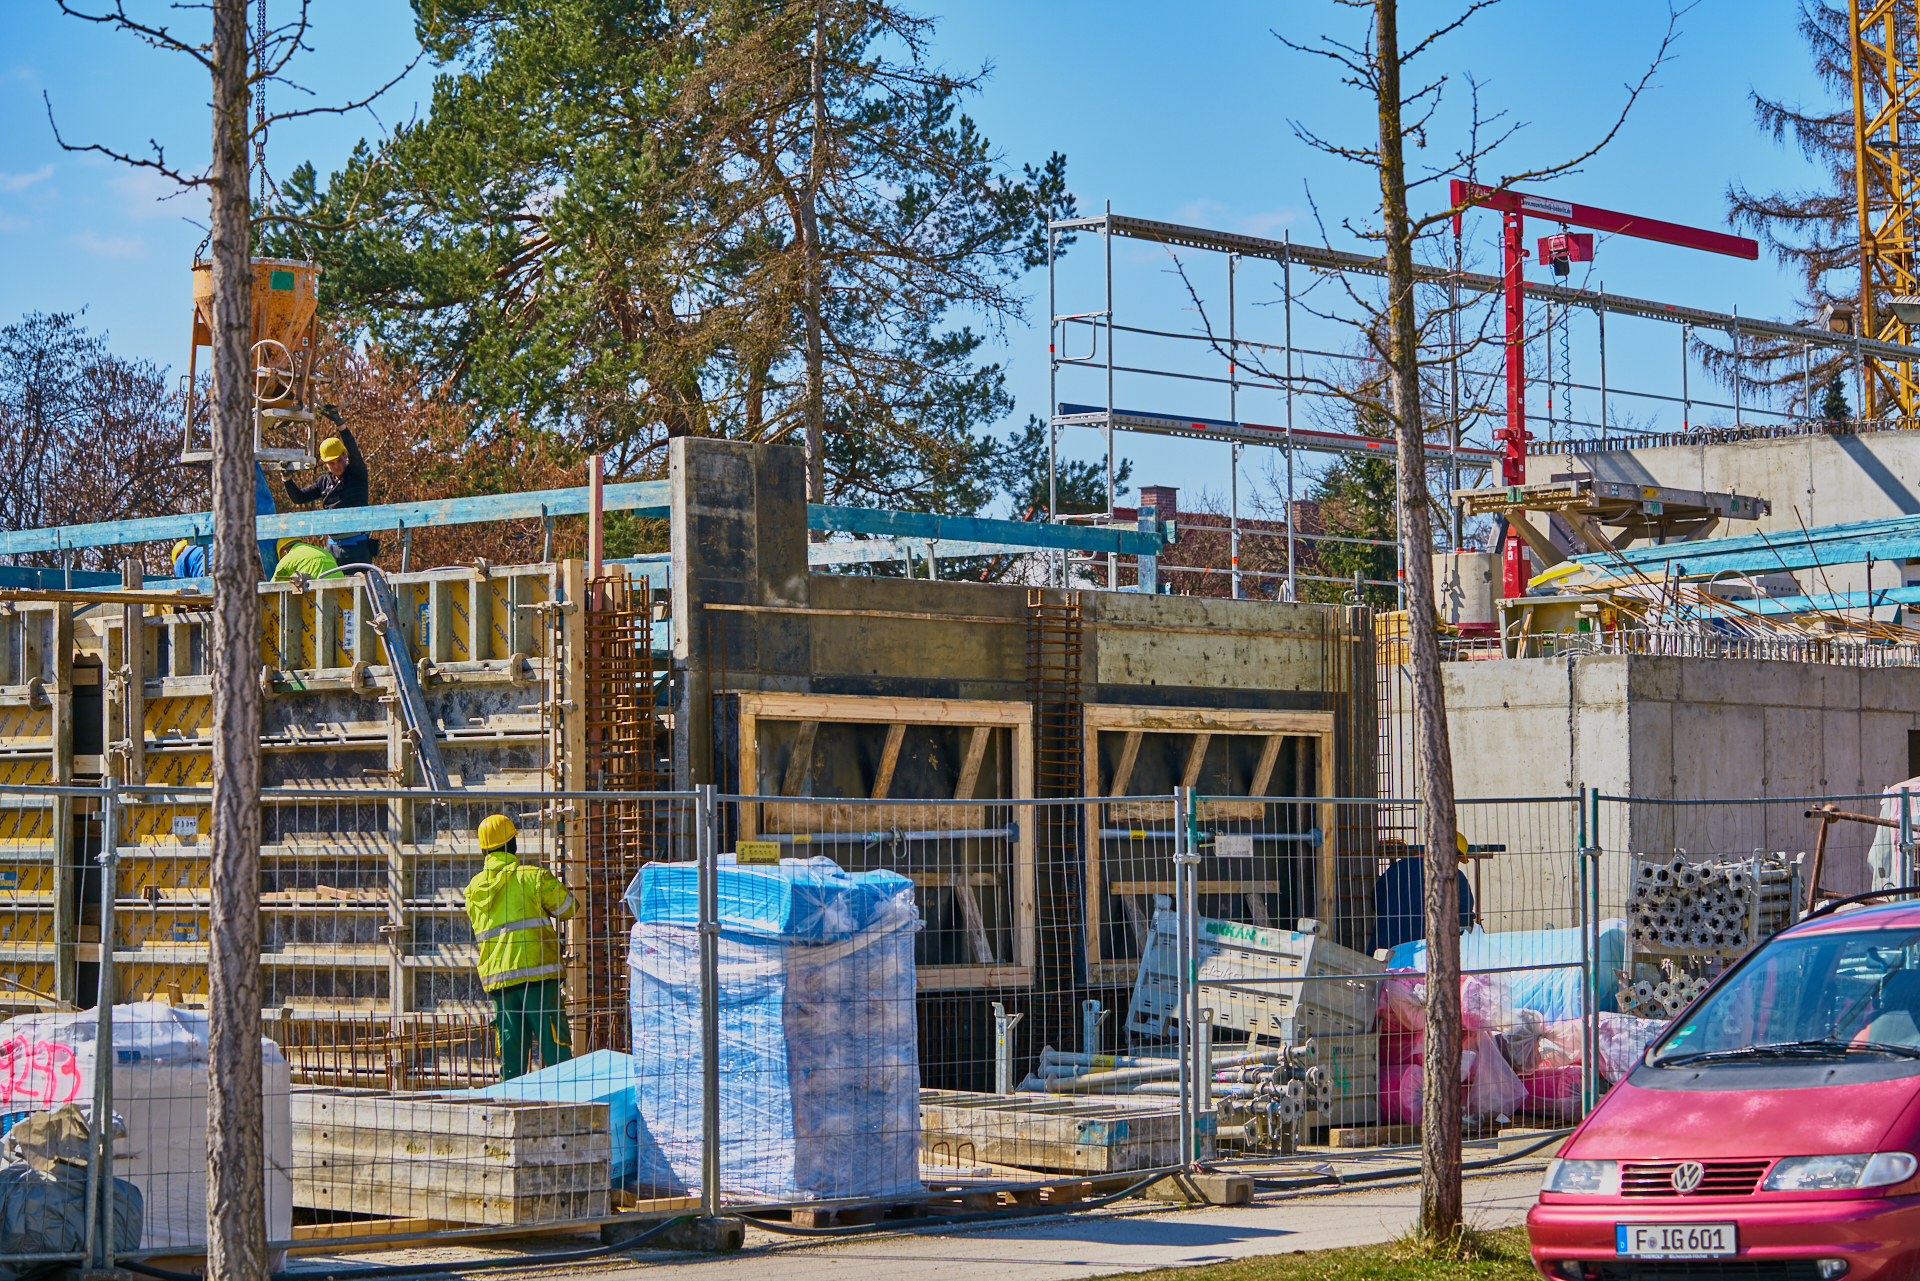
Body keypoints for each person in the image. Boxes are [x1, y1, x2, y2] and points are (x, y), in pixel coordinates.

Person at [464, 814, 576, 1082]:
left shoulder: (473, 890)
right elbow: (568, 908)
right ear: (513, 843)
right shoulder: (532, 877)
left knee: (511, 1057)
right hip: (538, 976)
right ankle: (565, 1111)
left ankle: (509, 1108)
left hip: (501, 983)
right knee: (555, 1051)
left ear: (483, 849)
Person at [284, 413, 379, 569]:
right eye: (331, 463)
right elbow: (299, 497)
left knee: (361, 590)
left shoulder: (356, 474)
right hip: (332, 549)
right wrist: (286, 479)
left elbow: (354, 451)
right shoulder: (324, 482)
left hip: (358, 546)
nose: (337, 466)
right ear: (325, 463)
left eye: (339, 460)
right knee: (333, 591)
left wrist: (341, 425)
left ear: (344, 456)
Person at [1370, 831, 1477, 954]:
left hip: (1387, 947)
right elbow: (1463, 916)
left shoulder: (1398, 867)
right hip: (1428, 952)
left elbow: (1376, 900)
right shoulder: (1456, 877)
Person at [271, 538, 339, 581]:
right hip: (341, 589)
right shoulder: (321, 551)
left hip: (317, 594)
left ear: (285, 552)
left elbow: (273, 587)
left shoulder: (287, 559)